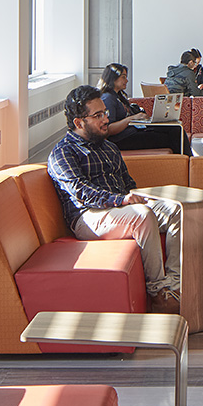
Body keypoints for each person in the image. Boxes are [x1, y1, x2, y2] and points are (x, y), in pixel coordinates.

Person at [47, 85, 184, 300]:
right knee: (142, 215)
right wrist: (121, 200)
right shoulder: (63, 152)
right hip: (88, 216)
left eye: (105, 113)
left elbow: (127, 183)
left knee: (176, 209)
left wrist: (139, 197)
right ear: (78, 122)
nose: (106, 120)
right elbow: (80, 191)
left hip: (118, 208)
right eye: (98, 115)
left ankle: (175, 285)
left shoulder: (109, 147)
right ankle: (158, 292)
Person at [98, 63, 183, 154]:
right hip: (121, 139)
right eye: (123, 77)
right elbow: (109, 129)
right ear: (113, 78)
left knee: (174, 128)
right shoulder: (108, 99)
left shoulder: (118, 96)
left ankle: (188, 162)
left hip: (132, 132)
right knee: (173, 135)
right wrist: (131, 119)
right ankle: (186, 162)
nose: (126, 81)